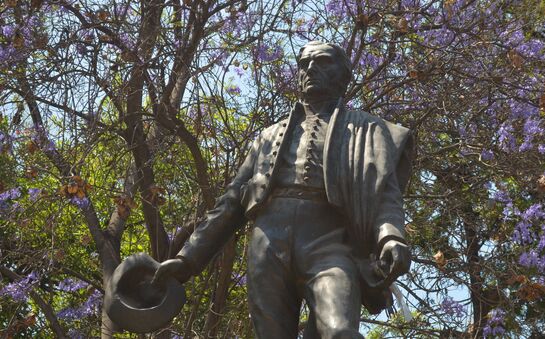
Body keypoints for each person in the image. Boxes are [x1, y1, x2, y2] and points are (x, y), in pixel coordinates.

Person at [153, 41, 413, 339]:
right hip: (268, 244)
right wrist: (187, 259)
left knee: (340, 331)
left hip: (330, 244)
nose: (311, 68)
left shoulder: (370, 132)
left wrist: (391, 238)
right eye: (304, 63)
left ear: (343, 76)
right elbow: (230, 203)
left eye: (323, 61)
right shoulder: (267, 136)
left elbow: (386, 195)